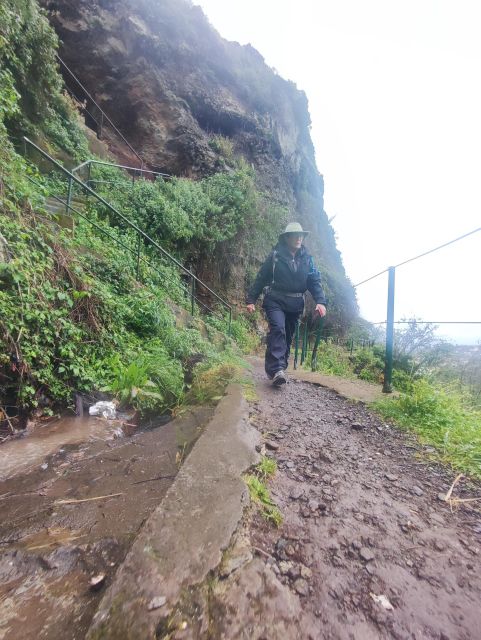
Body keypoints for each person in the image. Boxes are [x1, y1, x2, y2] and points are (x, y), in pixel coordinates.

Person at [246, 222, 327, 386]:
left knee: (287, 336)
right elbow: (261, 278)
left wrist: (321, 301)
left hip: (295, 303)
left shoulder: (308, 259)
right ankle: (276, 370)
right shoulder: (275, 256)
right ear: (287, 238)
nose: (299, 238)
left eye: (301, 235)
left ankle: (279, 367)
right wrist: (251, 300)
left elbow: (314, 282)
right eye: (295, 235)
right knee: (278, 329)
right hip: (275, 300)